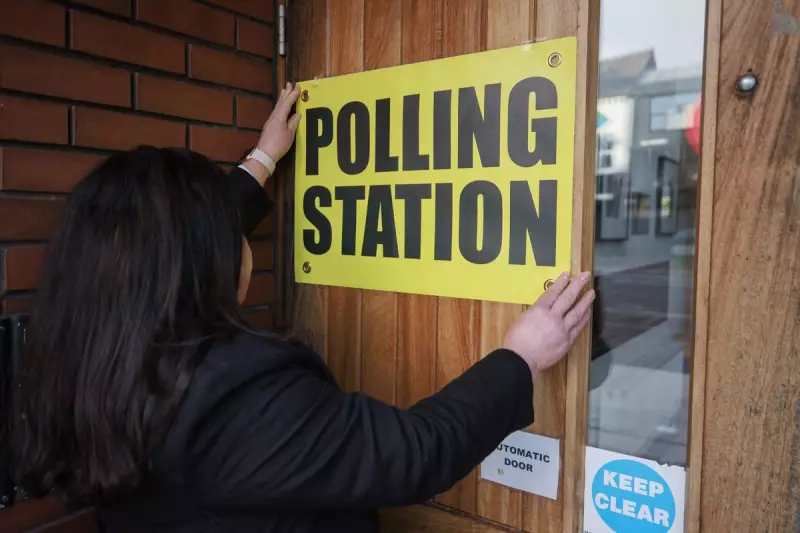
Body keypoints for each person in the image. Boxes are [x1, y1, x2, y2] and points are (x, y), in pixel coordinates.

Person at [11, 83, 594, 533]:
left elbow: (161, 245)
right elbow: (418, 452)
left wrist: (263, 159)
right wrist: (521, 356)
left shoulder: (88, 358)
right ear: (203, 263)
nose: (237, 238)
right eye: (224, 232)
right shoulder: (236, 403)